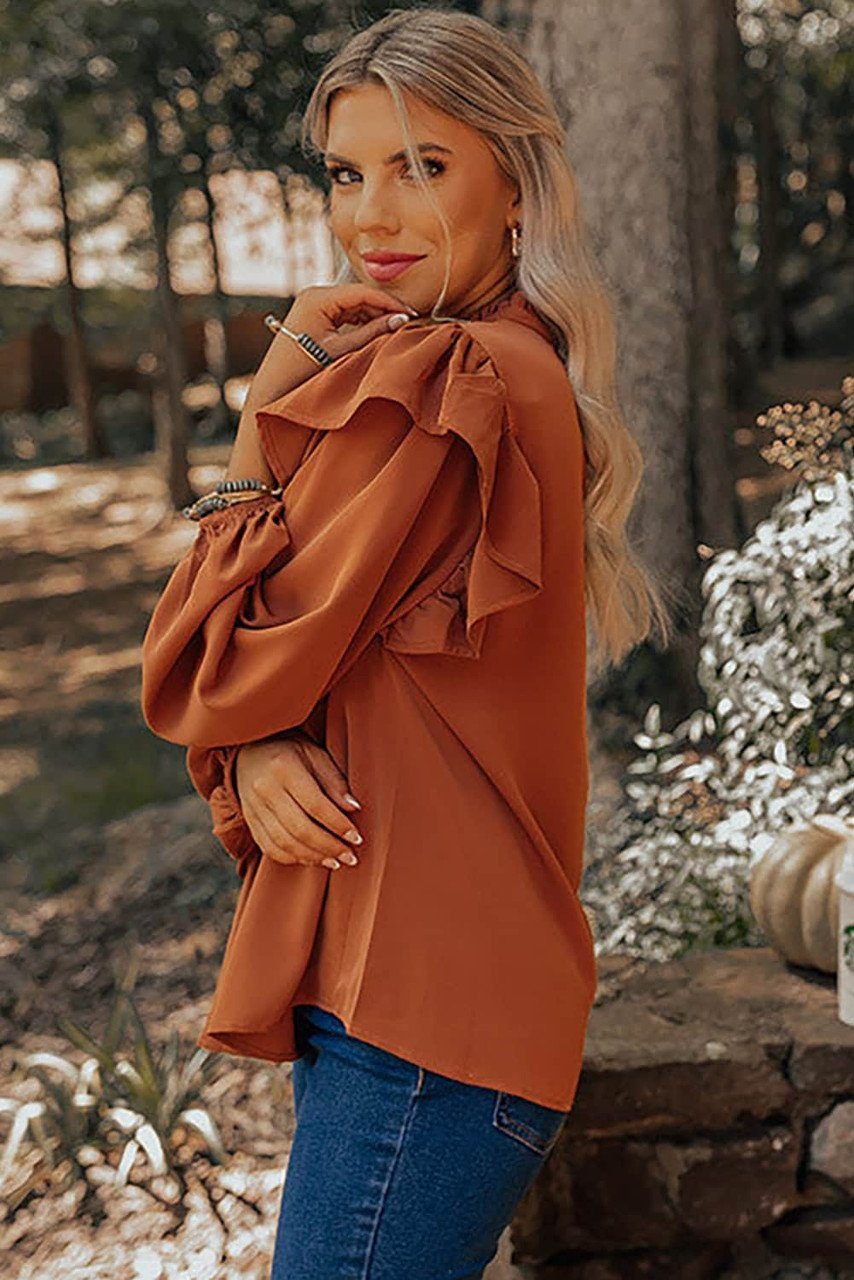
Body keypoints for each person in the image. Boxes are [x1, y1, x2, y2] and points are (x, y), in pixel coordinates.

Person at [140, 9, 671, 1278]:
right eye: (346, 171)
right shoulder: (498, 362)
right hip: (419, 998)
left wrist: (264, 406)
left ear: (514, 187)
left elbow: (211, 658)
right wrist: (262, 733)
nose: (371, 216)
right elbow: (281, 670)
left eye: (421, 166)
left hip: (423, 1025)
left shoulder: (450, 383)